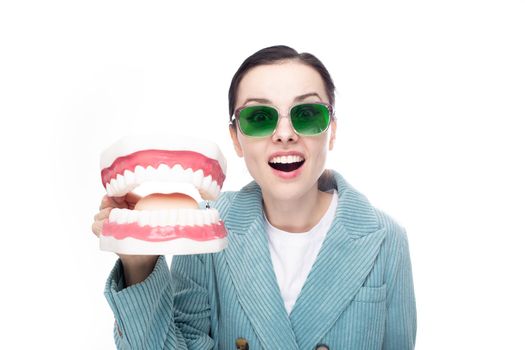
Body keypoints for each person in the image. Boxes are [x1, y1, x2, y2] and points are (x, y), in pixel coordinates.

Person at [92, 45, 417, 349]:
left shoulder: (387, 239)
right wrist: (138, 264)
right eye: (259, 118)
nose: (285, 134)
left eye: (307, 114)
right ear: (236, 139)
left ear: (331, 130)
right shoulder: (207, 226)